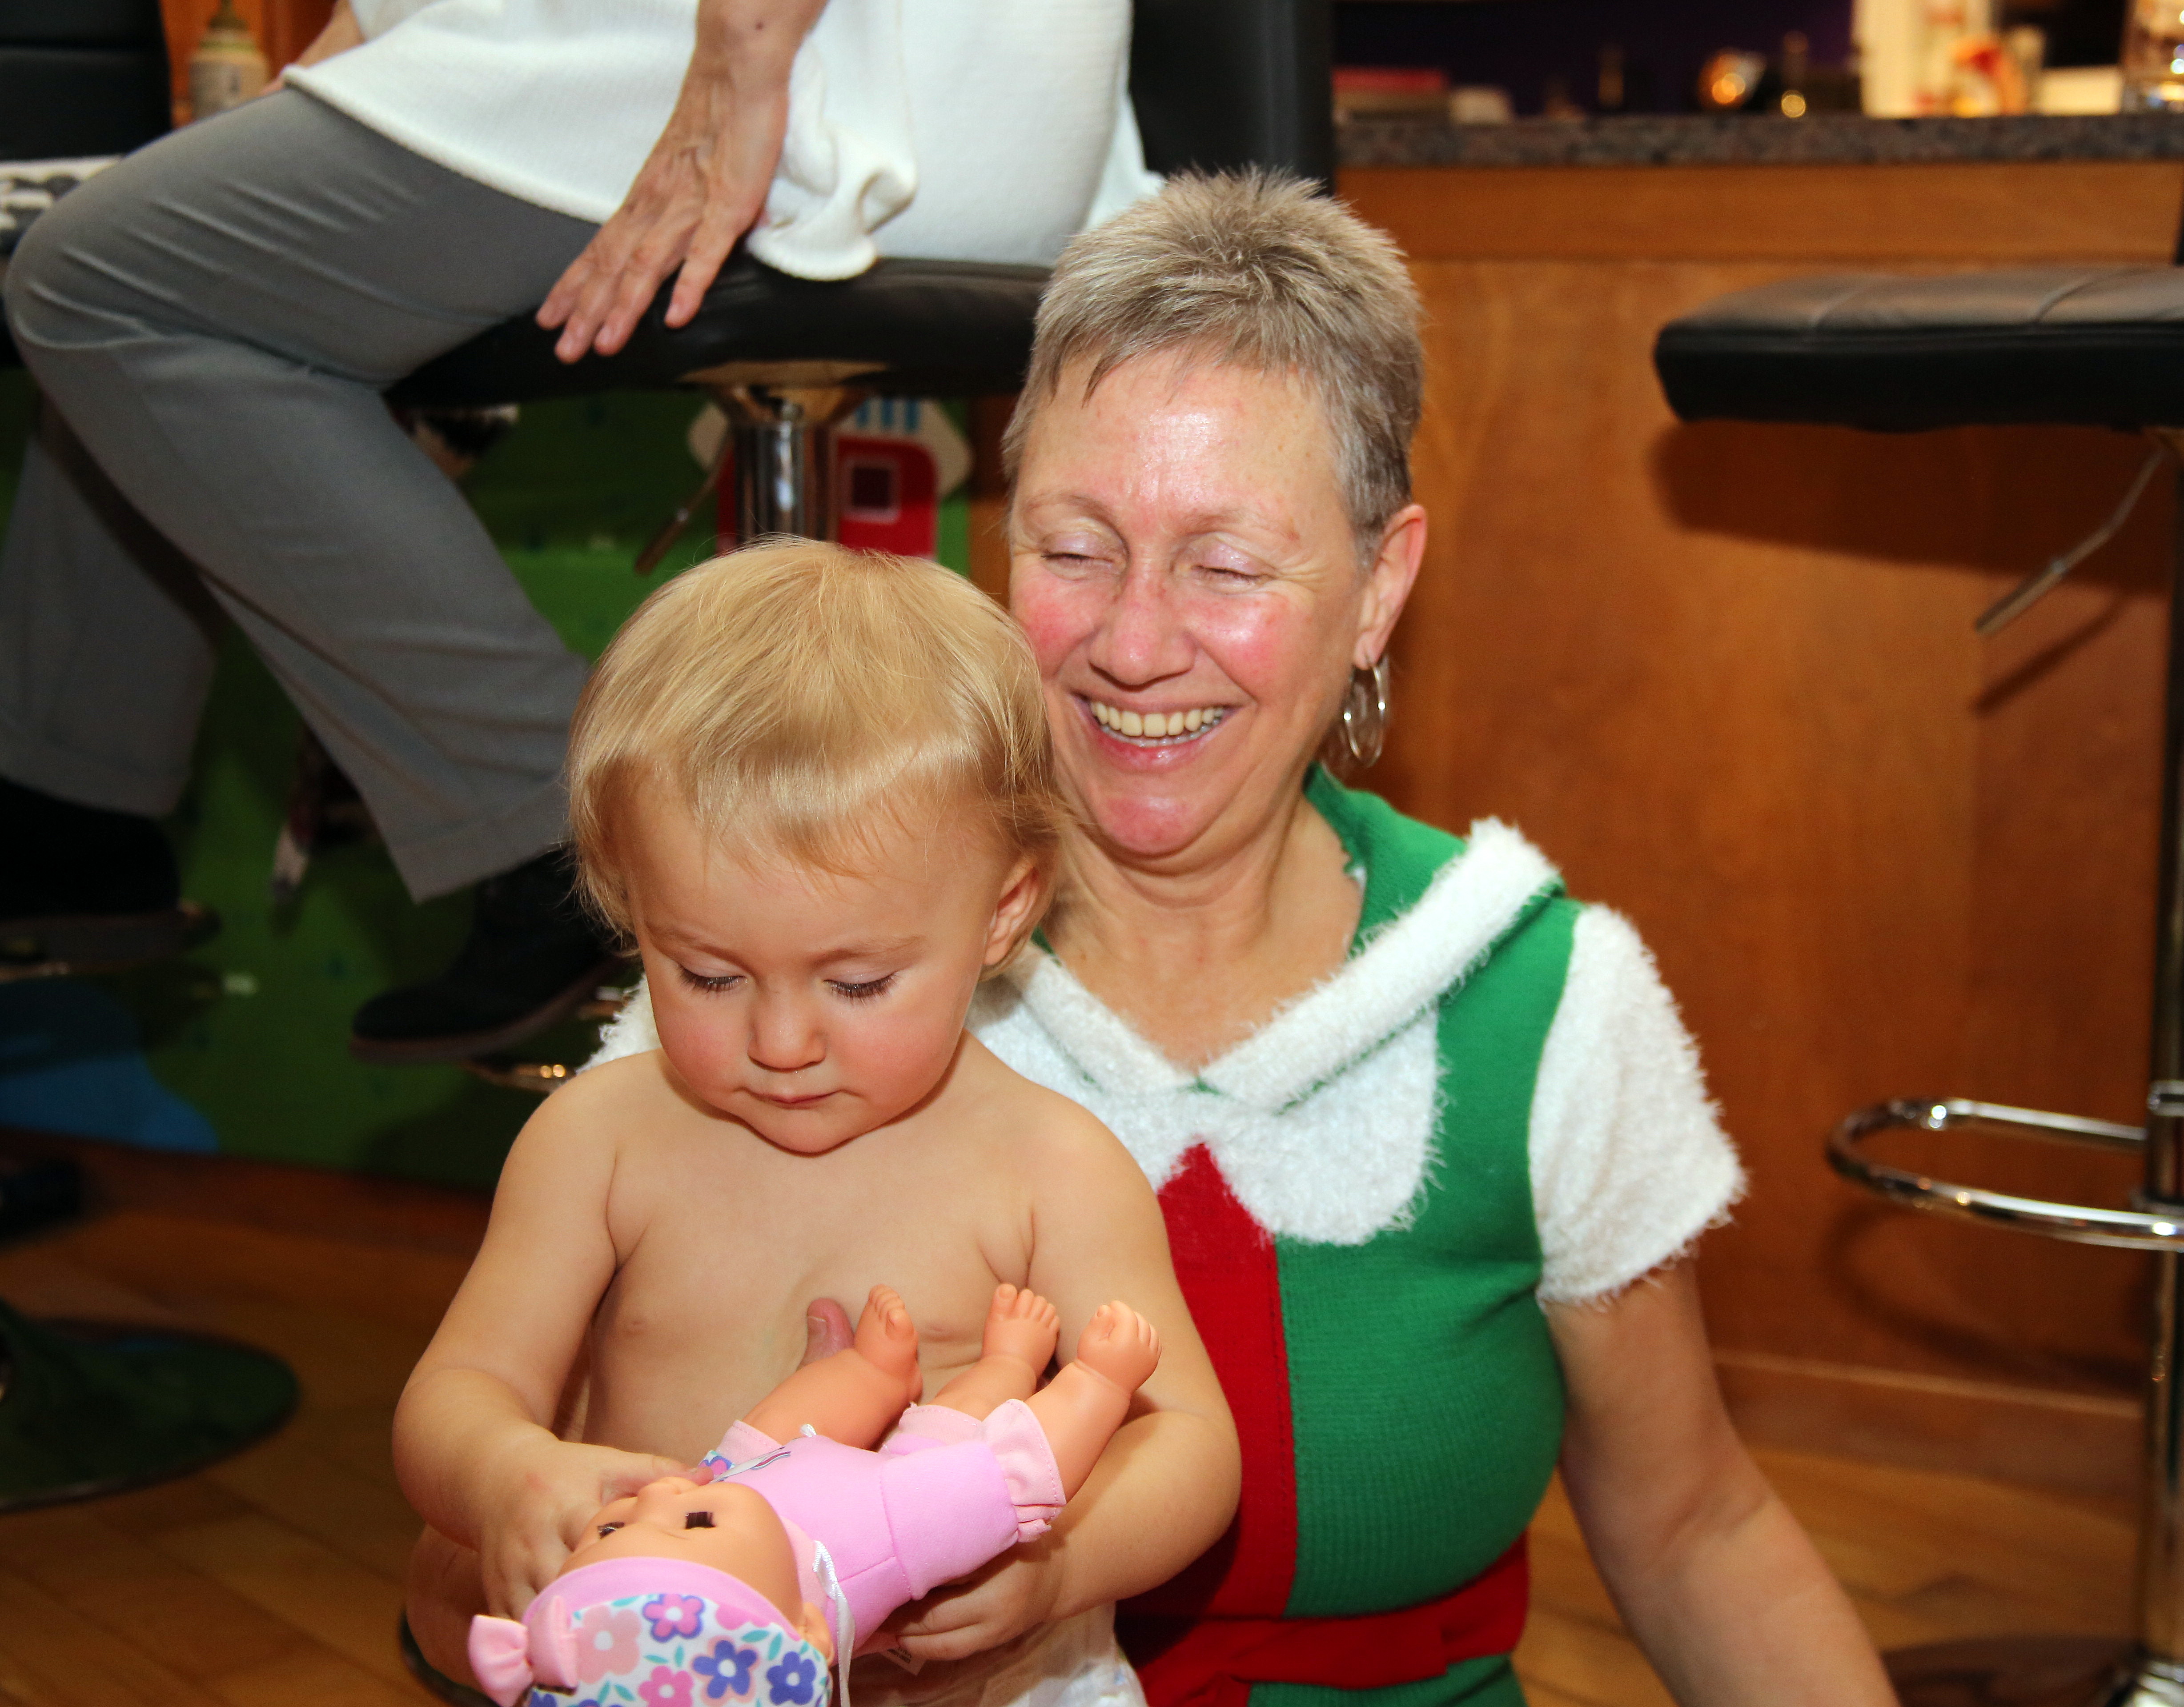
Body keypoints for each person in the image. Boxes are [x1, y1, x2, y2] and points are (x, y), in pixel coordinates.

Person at [605, 172, 1900, 1705]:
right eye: (1076, 548)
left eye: (1226, 566)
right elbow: (516, 1550)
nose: (1135, 643)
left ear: (1379, 585)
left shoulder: (1535, 1000)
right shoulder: (789, 975)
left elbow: (1696, 1531)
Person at [0, 0, 1155, 1060]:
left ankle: (564, 836)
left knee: (98, 281)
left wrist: (744, 57)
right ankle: (69, 812)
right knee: (160, 249)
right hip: (957, 105)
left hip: (813, 87)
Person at [395, 545, 1238, 1707]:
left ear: (1002, 911)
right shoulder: (600, 1142)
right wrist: (505, 1473)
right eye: (707, 974)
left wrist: (1061, 1567)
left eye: (856, 984)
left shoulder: (1047, 1165)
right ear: (633, 904)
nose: (783, 1041)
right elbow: (459, 1388)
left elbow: (1189, 1442)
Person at [464, 1284, 1164, 1707]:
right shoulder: (877, 1534)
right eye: (695, 1521)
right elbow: (1016, 1476)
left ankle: (873, 1373)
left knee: (769, 1429)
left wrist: (720, 1494)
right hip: (886, 1487)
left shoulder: (716, 1501)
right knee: (958, 1425)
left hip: (775, 1465)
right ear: (805, 1627)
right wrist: (1099, 1383)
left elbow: (757, 1453)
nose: (662, 1493)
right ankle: (1010, 1360)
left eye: (613, 1530)